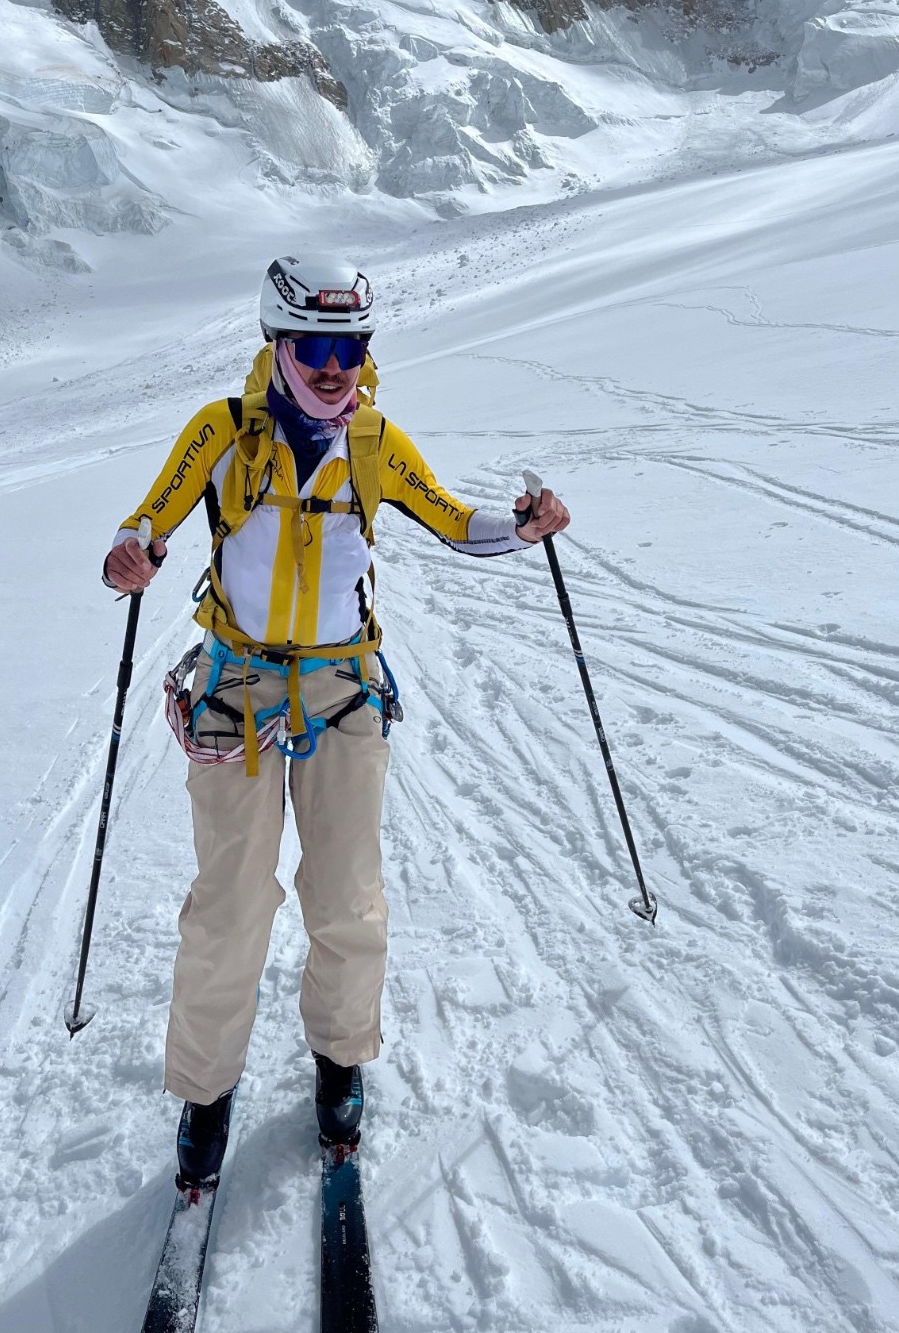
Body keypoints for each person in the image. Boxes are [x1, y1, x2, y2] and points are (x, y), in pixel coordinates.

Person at [103, 252, 569, 1185]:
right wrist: (130, 553)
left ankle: (340, 1063)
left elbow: (452, 520)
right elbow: (148, 520)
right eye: (315, 347)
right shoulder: (221, 433)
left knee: (347, 895)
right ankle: (206, 1092)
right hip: (237, 689)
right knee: (230, 904)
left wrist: (521, 529)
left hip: (342, 687)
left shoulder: (375, 443)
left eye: (350, 348)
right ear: (276, 343)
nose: (333, 367)